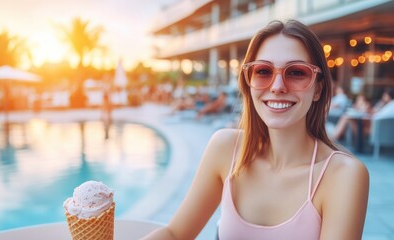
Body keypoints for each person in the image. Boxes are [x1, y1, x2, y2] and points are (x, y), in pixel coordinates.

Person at [143, 19, 369, 240]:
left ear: (318, 89)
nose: (278, 87)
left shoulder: (343, 176)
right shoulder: (226, 149)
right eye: (263, 71)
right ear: (248, 82)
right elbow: (175, 233)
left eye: (296, 72)